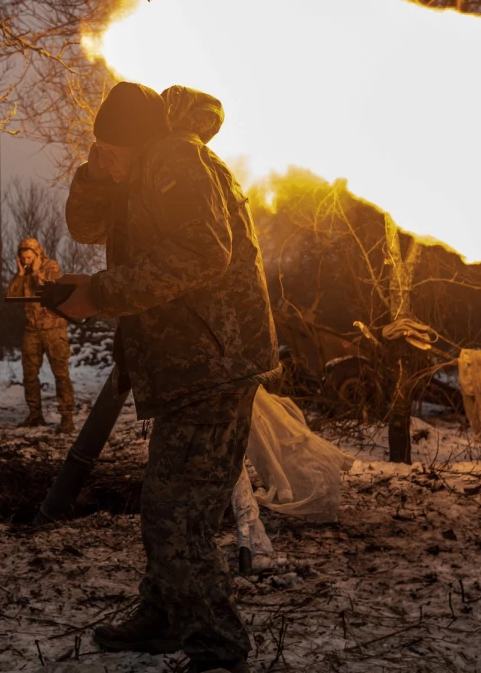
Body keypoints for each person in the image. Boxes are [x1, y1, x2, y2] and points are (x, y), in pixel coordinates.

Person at [57, 82, 280, 673]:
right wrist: (98, 171)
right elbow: (85, 229)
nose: (101, 157)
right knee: (170, 501)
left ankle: (218, 646)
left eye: (110, 149)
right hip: (190, 363)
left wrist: (102, 292)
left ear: (138, 141)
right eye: (97, 148)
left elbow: (205, 251)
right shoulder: (139, 168)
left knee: (175, 512)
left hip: (214, 359)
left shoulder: (174, 156)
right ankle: (164, 615)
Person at [6, 238, 76, 432]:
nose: (26, 260)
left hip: (54, 330)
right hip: (32, 331)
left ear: (37, 254)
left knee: (61, 374)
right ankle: (35, 414)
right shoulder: (24, 272)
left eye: (29, 256)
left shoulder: (51, 266)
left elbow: (51, 290)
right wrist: (21, 274)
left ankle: (67, 418)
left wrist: (36, 271)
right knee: (29, 374)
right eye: (23, 257)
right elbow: (11, 296)